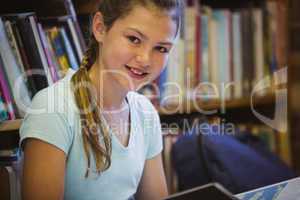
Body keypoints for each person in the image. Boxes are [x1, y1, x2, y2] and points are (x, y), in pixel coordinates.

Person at [19, 0, 182, 199]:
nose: (145, 59)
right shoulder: (52, 108)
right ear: (100, 28)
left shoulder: (145, 112)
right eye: (134, 39)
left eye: (161, 48)